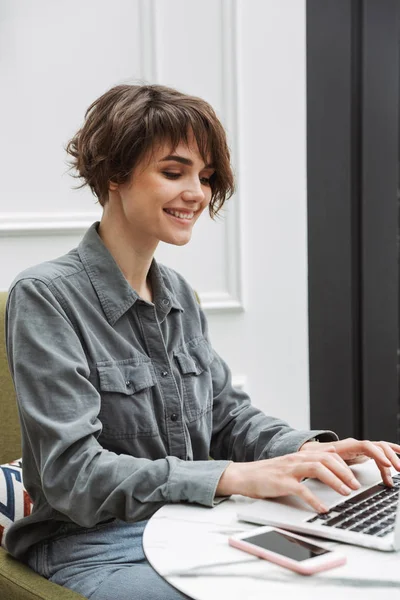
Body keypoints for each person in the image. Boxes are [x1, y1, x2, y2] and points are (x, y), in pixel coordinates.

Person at [5, 83, 400, 600]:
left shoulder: (178, 295)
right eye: (174, 172)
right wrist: (231, 477)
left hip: (197, 526)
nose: (197, 192)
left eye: (205, 176)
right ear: (114, 174)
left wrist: (308, 451)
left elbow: (228, 417)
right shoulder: (46, 297)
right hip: (91, 543)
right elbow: (72, 475)